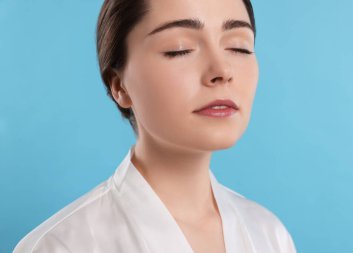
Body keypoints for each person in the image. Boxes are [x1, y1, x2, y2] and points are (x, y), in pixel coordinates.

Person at [13, 0, 297, 252]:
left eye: (239, 47)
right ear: (119, 86)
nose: (221, 71)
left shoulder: (269, 235)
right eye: (180, 49)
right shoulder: (60, 246)